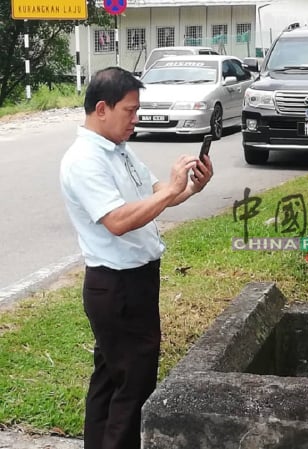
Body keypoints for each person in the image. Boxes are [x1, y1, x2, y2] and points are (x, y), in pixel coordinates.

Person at [59, 66, 213, 449]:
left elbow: (157, 194)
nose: (136, 119)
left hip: (135, 282)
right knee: (134, 386)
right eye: (130, 111)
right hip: (117, 286)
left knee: (110, 381)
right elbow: (117, 221)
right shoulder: (84, 160)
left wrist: (190, 187)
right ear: (101, 109)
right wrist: (169, 192)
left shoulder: (119, 151)